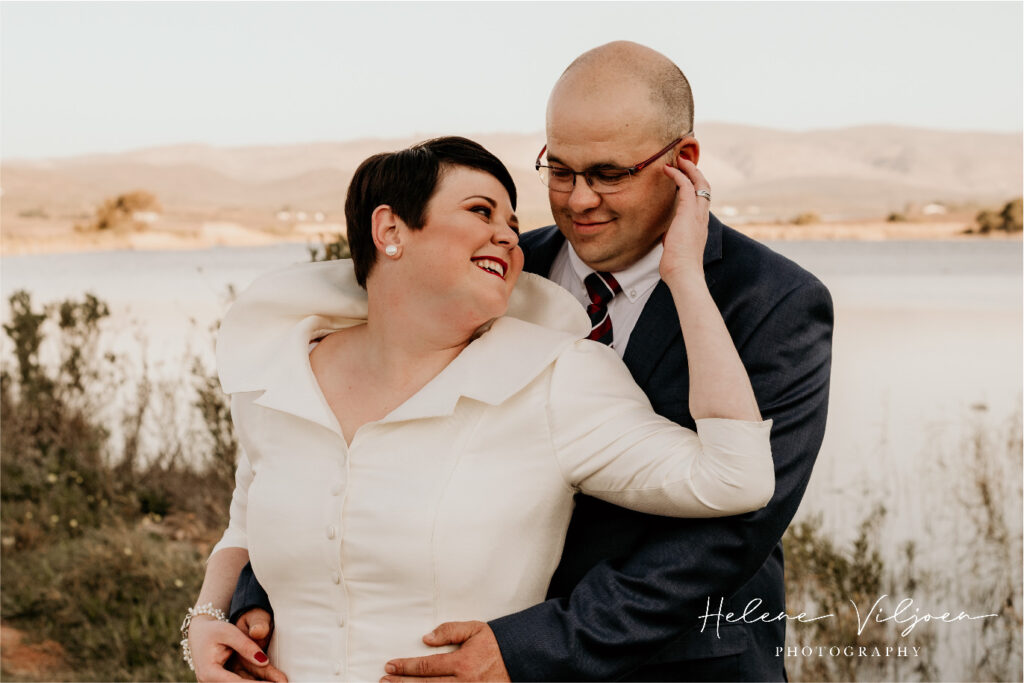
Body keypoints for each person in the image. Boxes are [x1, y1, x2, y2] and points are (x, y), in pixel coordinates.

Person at [222, 41, 833, 682]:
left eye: (608, 174)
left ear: (684, 161)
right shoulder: (497, 268)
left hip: (676, 663)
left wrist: (530, 647)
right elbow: (322, 453)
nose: (578, 200)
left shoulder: (776, 301)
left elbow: (736, 527)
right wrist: (262, 599)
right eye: (559, 171)